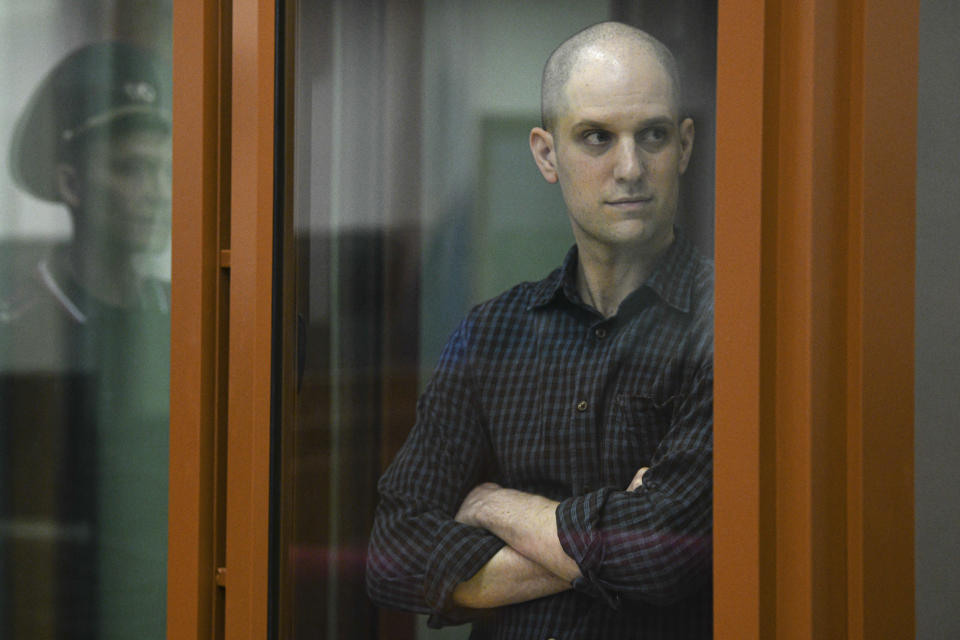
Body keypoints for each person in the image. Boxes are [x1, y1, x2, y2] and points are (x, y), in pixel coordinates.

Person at [366, 21, 713, 639]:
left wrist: (493, 506)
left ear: (684, 146)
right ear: (547, 154)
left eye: (653, 135)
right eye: (597, 137)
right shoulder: (492, 334)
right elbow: (394, 555)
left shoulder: (732, 324)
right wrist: (614, 534)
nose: (630, 167)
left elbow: (665, 555)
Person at [0, 41, 171, 639]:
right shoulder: (24, 331)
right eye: (130, 169)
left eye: (161, 169)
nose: (156, 190)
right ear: (71, 182)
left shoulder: (182, 318)